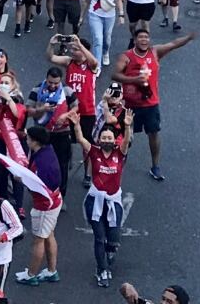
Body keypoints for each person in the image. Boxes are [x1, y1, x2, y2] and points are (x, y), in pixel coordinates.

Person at [110, 26, 195, 182]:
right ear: (135, 40)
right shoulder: (127, 57)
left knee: (154, 134)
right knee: (123, 137)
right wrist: (134, 80)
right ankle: (118, 164)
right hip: (130, 105)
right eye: (140, 37)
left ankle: (155, 166)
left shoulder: (155, 52)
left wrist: (189, 37)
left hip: (150, 104)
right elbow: (115, 75)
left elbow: (174, 44)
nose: (144, 40)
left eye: (146, 37)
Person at [73, 117, 131, 288]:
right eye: (104, 138)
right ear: (99, 139)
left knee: (113, 236)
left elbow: (127, 140)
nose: (106, 140)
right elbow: (81, 140)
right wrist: (77, 125)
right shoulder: (94, 151)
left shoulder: (120, 153)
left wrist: (127, 126)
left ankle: (111, 250)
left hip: (114, 202)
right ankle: (102, 269)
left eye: (109, 138)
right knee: (100, 238)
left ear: (114, 140)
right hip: (95, 202)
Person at [15, 125, 63, 286]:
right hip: (54, 201)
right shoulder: (47, 151)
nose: (26, 140)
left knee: (39, 240)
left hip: (44, 206)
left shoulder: (42, 163)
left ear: (34, 141)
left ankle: (31, 274)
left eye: (28, 138)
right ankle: (51, 270)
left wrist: (20, 179)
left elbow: (37, 184)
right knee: (49, 235)